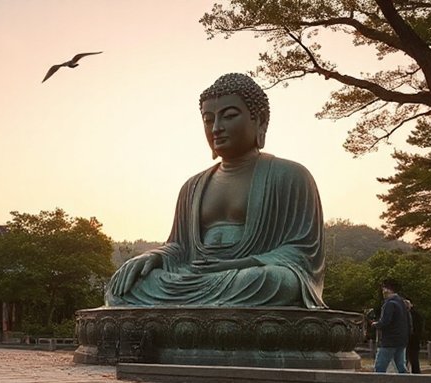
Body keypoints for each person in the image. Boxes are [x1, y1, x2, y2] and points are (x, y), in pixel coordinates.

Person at [105, 72, 325, 308]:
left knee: (277, 281)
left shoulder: (290, 175)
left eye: (229, 116)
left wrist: (238, 265)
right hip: (194, 276)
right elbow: (180, 247)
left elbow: (302, 252)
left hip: (248, 278)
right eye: (209, 120)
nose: (217, 128)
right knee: (124, 286)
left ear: (260, 120)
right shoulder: (192, 187)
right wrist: (154, 256)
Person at [372, 278, 410, 374]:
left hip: (390, 340)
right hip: (402, 339)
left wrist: (376, 324)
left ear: (387, 289)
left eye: (383, 288)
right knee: (401, 366)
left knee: (380, 366)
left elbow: (385, 321)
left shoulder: (389, 304)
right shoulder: (402, 302)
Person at [405, 299, 424, 374]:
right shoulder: (416, 314)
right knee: (413, 358)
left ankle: (413, 372)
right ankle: (415, 373)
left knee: (412, 358)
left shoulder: (411, 315)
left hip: (412, 339)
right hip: (413, 339)